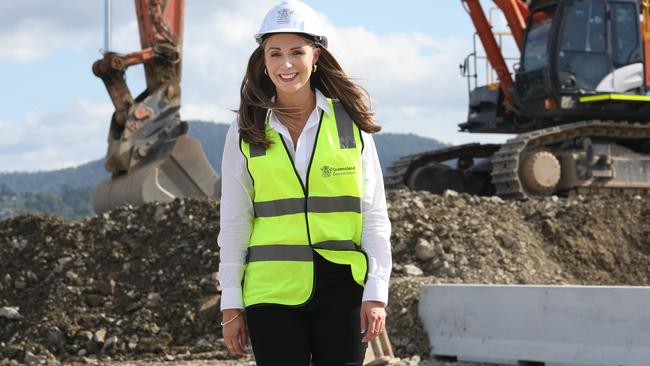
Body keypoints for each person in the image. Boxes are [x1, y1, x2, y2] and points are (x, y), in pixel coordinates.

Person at [217, 1, 392, 364]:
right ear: (262, 60)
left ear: (316, 56)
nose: (286, 64)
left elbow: (374, 214)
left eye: (297, 51)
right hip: (271, 292)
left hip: (343, 288)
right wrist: (231, 303)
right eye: (275, 53)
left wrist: (376, 291)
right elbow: (234, 222)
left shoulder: (349, 124)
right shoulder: (246, 131)